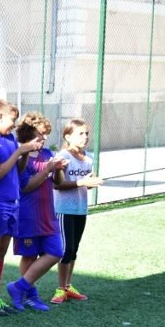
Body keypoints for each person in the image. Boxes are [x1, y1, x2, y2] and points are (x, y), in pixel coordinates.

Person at [0, 100, 42, 316]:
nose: (14, 124)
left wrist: (25, 153)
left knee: (1, 251)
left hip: (13, 201)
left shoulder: (10, 139)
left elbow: (17, 170)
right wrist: (19, 150)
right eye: (13, 119)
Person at [5, 112, 68, 311]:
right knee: (30, 256)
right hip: (27, 216)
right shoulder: (20, 157)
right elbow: (25, 187)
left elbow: (58, 183)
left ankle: (18, 287)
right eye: (41, 134)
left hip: (47, 214)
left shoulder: (47, 153)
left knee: (56, 252)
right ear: (29, 133)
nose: (44, 138)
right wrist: (48, 169)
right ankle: (30, 296)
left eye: (46, 134)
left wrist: (58, 169)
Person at [51, 118, 103, 303]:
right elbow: (57, 185)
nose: (85, 137)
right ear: (68, 136)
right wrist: (82, 182)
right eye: (80, 133)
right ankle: (60, 289)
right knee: (66, 250)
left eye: (86, 133)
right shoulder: (63, 156)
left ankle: (67, 286)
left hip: (80, 210)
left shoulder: (89, 158)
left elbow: (84, 184)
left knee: (74, 250)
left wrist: (91, 182)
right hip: (64, 210)